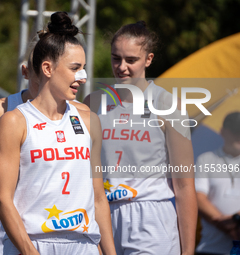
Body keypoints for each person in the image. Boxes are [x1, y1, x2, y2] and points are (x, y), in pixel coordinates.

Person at [0, 12, 116, 255]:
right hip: (31, 243)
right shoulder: (14, 122)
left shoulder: (89, 121)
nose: (83, 77)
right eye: (75, 68)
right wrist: (29, 251)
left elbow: (99, 198)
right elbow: (2, 200)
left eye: (84, 68)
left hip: (83, 245)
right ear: (47, 68)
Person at [0, 44, 90, 254]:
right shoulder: (0, 111)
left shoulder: (79, 114)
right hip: (10, 235)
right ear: (27, 72)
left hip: (66, 235)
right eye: (36, 77)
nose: (42, 86)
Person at [84, 21, 197, 255]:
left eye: (131, 60)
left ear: (148, 59)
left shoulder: (168, 105)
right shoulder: (92, 104)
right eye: (116, 58)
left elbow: (184, 185)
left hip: (151, 219)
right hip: (102, 216)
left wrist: (188, 251)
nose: (121, 67)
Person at [195, 112, 240, 255]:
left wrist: (235, 219)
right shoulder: (206, 159)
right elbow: (198, 197)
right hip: (211, 247)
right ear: (223, 132)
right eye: (235, 131)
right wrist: (230, 227)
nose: (238, 136)